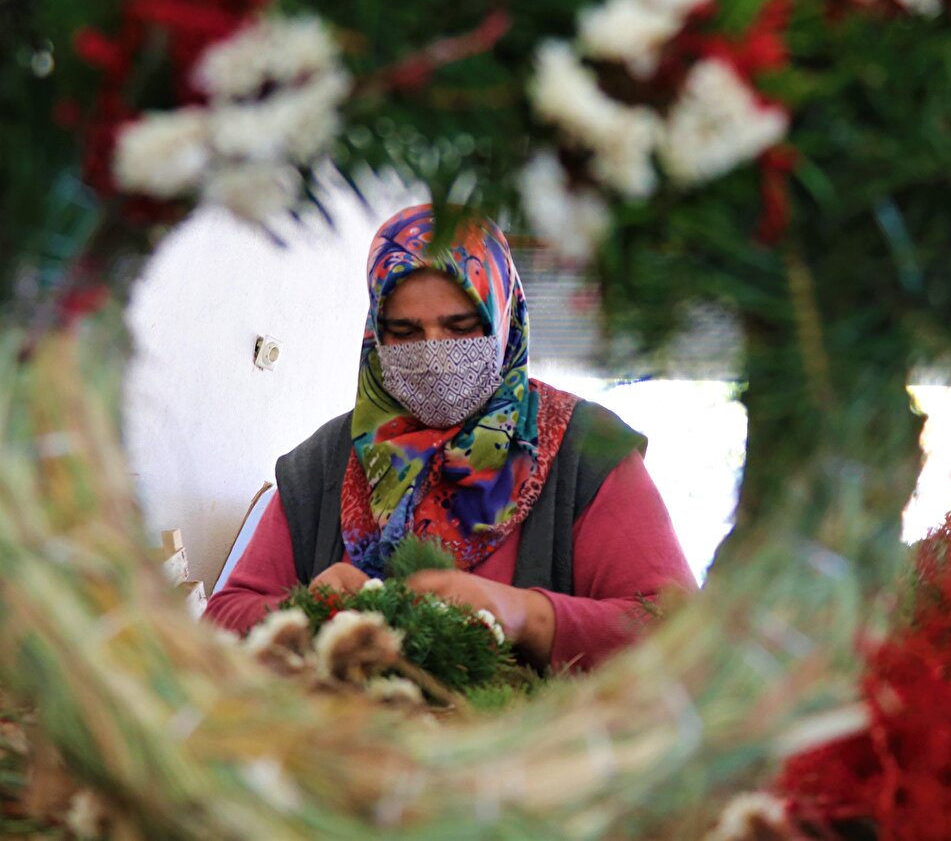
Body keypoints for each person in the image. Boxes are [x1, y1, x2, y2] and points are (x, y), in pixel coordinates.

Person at [204, 204, 696, 670]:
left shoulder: (582, 447)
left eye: (461, 327)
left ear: (505, 319)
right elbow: (222, 619)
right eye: (405, 332)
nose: (435, 353)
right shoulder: (330, 461)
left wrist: (528, 615)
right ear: (376, 335)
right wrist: (310, 611)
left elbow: (679, 632)